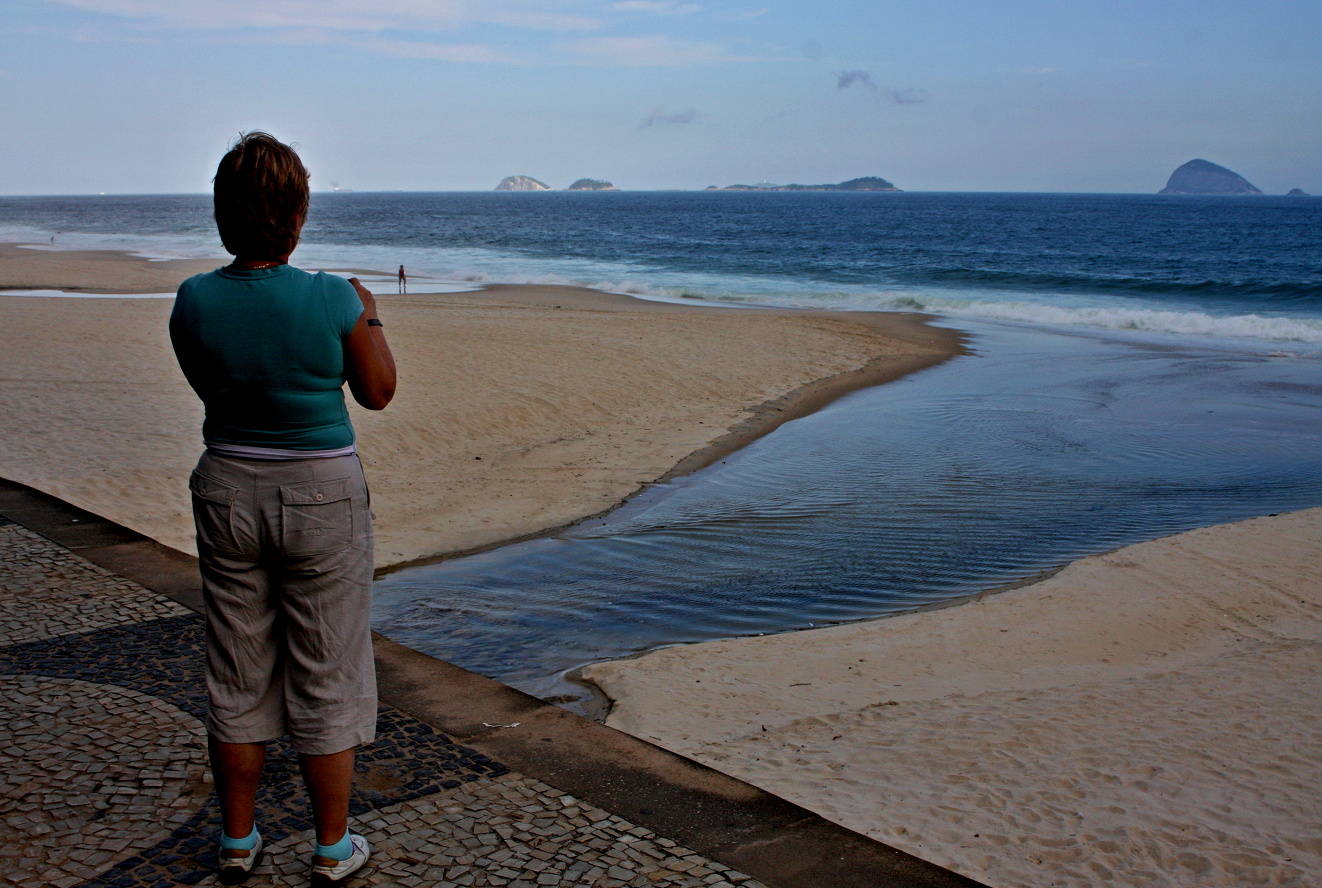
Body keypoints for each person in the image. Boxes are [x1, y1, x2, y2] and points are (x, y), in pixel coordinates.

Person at [169, 132, 396, 886]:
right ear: (297, 216)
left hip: (229, 481)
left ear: (223, 215)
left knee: (236, 667)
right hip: (322, 491)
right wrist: (371, 314)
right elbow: (378, 391)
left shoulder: (195, 298)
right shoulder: (333, 295)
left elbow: (211, 382)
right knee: (327, 665)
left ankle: (239, 839)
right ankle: (331, 849)